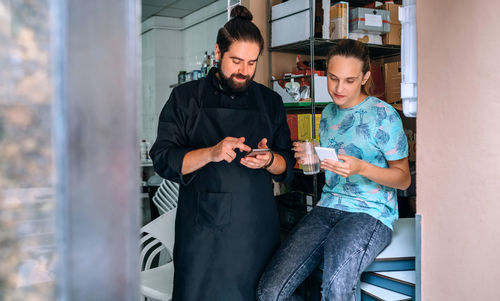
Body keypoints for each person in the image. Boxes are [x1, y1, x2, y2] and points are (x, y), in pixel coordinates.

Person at [149, 5, 295, 301]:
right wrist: (211, 153)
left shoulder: (270, 102)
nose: (244, 71)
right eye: (236, 61)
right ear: (218, 52)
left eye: (252, 63)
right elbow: (163, 159)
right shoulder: (185, 98)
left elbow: (287, 163)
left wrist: (269, 160)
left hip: (257, 232)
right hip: (203, 239)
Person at [257, 39, 411, 301]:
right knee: (268, 293)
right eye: (332, 78)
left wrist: (361, 167)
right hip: (328, 206)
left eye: (349, 80)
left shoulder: (384, 115)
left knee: (336, 288)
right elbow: (334, 158)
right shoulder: (328, 113)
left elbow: (404, 179)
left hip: (369, 212)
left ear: (364, 77)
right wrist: (313, 154)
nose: (339, 88)